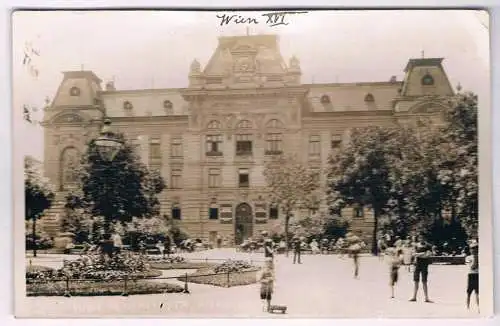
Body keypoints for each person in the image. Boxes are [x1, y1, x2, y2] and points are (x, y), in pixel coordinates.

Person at [465, 241, 479, 312]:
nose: (474, 250)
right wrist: (476, 258)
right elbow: (472, 267)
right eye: (472, 248)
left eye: (476, 248)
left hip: (478, 275)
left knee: (478, 292)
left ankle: (478, 307)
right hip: (471, 275)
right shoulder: (468, 258)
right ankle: (468, 307)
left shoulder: (480, 257)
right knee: (469, 292)